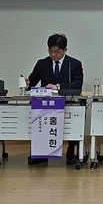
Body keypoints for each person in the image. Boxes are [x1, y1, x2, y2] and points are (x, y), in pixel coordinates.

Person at [25, 33, 84, 165]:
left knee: (75, 119)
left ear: (65, 50)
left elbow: (77, 84)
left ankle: (71, 152)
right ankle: (40, 153)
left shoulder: (74, 64)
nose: (53, 54)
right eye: (50, 51)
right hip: (45, 104)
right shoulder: (42, 63)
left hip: (67, 102)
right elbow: (32, 82)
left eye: (57, 51)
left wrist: (58, 87)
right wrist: (27, 83)